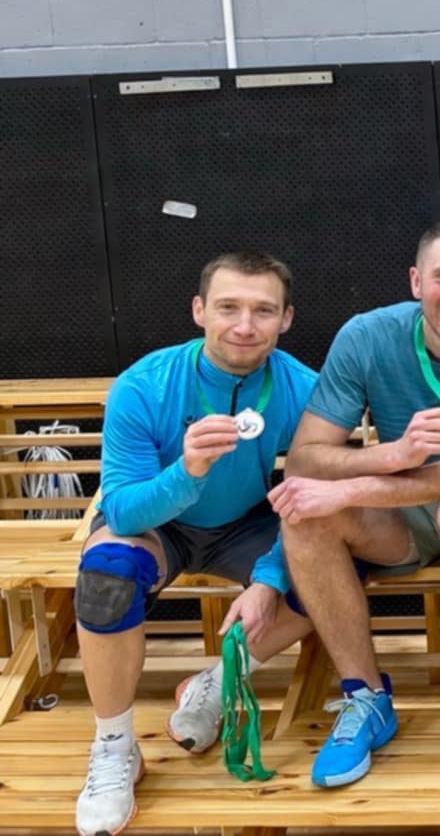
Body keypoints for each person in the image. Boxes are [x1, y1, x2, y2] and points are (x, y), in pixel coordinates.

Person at [271, 221, 440, 788]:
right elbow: (305, 458)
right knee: (307, 515)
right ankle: (365, 698)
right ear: (416, 281)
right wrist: (392, 454)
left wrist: (354, 487)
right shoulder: (366, 335)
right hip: (403, 504)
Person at [74, 252, 317, 836]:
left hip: (245, 524)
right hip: (158, 525)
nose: (244, 326)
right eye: (228, 307)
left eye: (263, 311)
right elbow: (123, 509)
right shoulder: (143, 385)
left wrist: (270, 577)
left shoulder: (304, 388)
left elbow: (317, 500)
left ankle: (219, 681)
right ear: (199, 310)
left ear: (286, 319)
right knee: (107, 575)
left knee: (334, 571)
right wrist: (188, 471)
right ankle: (114, 748)